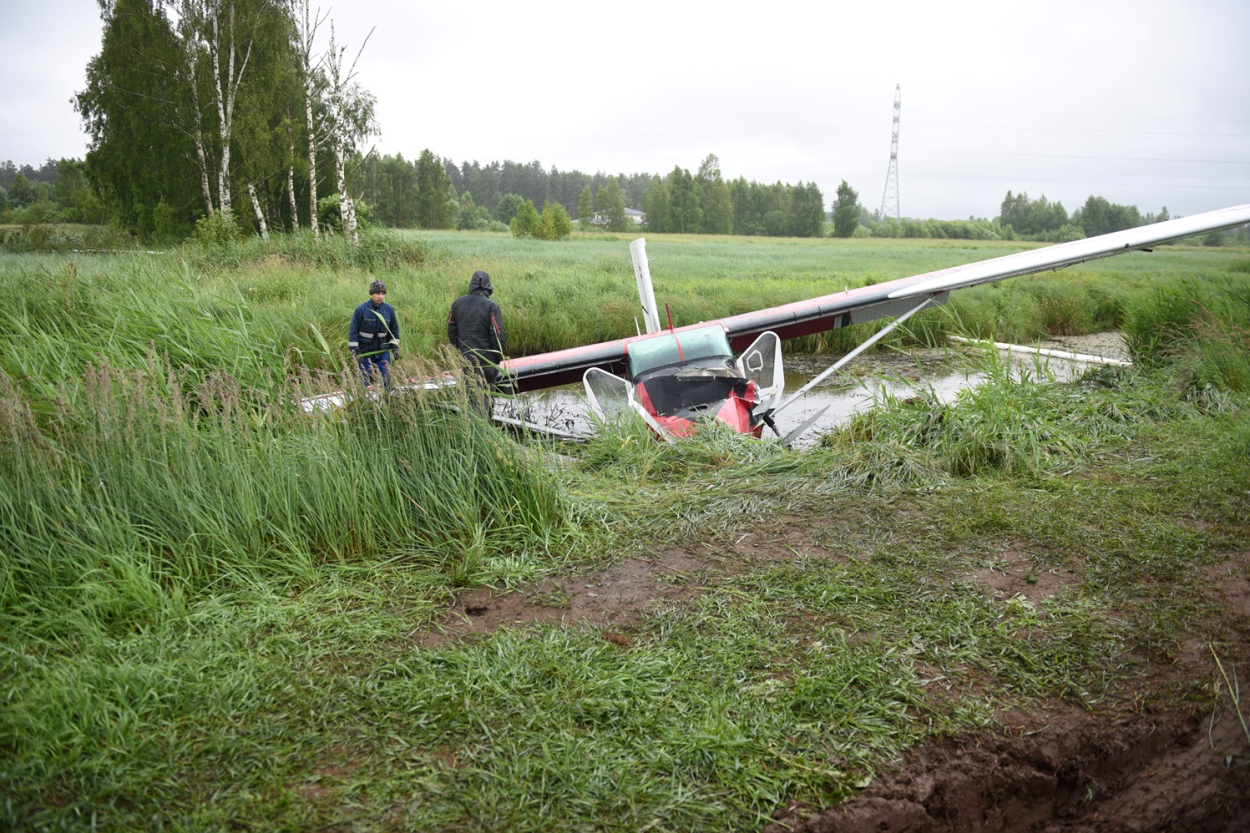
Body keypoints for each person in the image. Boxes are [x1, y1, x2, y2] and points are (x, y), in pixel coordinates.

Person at [447, 270, 507, 404]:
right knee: (486, 398)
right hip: (487, 361)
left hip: (466, 359)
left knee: (470, 396)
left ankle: (471, 423)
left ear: (472, 284)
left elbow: (451, 330)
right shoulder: (491, 306)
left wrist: (461, 350)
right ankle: (485, 423)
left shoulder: (457, 304)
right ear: (488, 286)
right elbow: (498, 334)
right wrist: (498, 358)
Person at [349, 279, 400, 387]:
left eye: (383, 294)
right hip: (364, 353)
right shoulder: (361, 310)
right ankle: (364, 401)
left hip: (382, 353)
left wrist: (395, 348)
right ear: (372, 294)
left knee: (386, 381)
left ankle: (386, 400)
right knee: (363, 382)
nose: (380, 296)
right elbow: (353, 333)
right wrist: (356, 352)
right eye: (377, 293)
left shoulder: (389, 310)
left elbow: (394, 331)